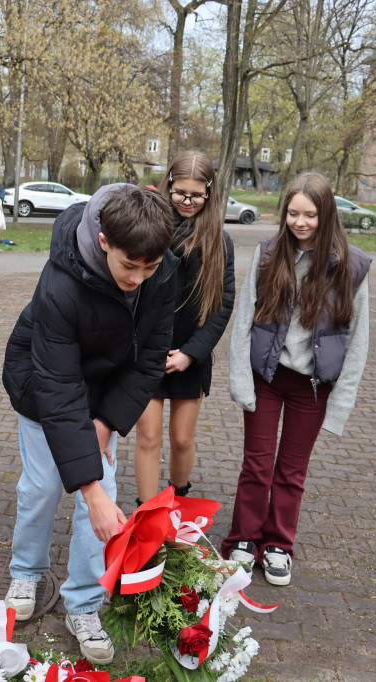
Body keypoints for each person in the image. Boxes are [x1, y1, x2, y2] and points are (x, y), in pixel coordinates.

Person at [1, 184, 178, 665]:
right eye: (129, 265)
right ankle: (27, 571)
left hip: (105, 390)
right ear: (104, 242)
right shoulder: (60, 282)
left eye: (149, 267)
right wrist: (90, 488)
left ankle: (83, 603)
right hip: (42, 384)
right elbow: (58, 388)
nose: (138, 278)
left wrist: (107, 421)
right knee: (44, 486)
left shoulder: (163, 270)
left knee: (101, 503)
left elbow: (150, 359)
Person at [222, 172, 371, 586]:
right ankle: (244, 539)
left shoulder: (352, 266)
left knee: (291, 471)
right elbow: (244, 320)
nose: (300, 222)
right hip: (268, 377)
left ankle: (278, 545)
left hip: (313, 387)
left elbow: (358, 341)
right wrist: (241, 381)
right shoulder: (269, 253)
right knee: (257, 464)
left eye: (310, 215)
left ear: (327, 215)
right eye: (293, 213)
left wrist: (340, 406)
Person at [133, 151, 235, 504]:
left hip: (191, 354)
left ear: (210, 192)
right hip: (148, 352)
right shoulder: (148, 229)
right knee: (148, 437)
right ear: (168, 186)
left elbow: (222, 305)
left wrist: (191, 353)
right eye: (180, 193)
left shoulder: (219, 242)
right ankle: (147, 516)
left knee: (181, 439)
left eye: (196, 195)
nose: (187, 202)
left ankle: (178, 503)